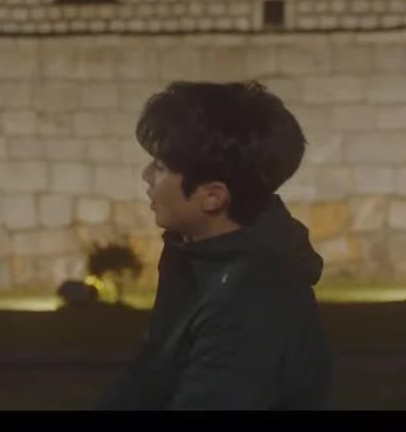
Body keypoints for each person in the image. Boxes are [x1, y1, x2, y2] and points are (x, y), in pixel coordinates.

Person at [96, 80, 333, 410]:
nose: (146, 176)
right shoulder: (194, 255)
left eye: (160, 167)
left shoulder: (252, 300)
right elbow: (148, 375)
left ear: (212, 197)